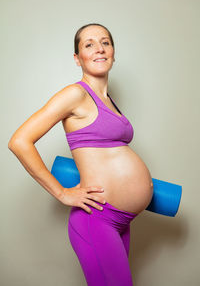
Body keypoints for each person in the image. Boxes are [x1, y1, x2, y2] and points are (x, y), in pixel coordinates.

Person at [8, 23, 154, 286]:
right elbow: (20, 141)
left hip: (122, 220)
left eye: (105, 42)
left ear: (113, 51)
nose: (99, 48)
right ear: (77, 58)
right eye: (89, 44)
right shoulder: (75, 94)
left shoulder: (109, 100)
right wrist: (62, 193)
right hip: (97, 219)